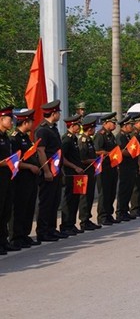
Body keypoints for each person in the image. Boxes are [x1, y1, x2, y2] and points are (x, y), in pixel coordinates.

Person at [35, 99, 68, 241]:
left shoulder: (53, 128)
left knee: (54, 201)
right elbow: (41, 152)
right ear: (53, 113)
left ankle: (51, 229)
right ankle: (43, 231)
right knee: (46, 202)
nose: (59, 115)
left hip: (57, 171)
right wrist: (47, 171)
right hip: (48, 172)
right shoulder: (42, 130)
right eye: (58, 113)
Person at [9, 109, 40, 248]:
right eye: (31, 121)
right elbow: (14, 161)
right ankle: (16, 237)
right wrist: (29, 166)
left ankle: (24, 234)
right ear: (25, 122)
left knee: (29, 207)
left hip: (31, 179)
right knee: (19, 208)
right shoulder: (14, 139)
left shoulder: (26, 138)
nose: (33, 123)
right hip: (21, 179)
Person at [60, 114, 86, 235]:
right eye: (77, 125)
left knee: (75, 199)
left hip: (77, 174)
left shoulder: (74, 138)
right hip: (70, 173)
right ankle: (66, 225)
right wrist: (75, 167)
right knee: (69, 199)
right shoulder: (67, 139)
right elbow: (62, 157)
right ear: (72, 125)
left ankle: (71, 223)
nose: (79, 127)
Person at [94, 112, 119, 226]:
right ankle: (102, 216)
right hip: (103, 167)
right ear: (106, 123)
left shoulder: (111, 135)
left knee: (111, 191)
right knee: (104, 192)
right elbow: (97, 150)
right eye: (113, 123)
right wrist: (109, 153)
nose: (114, 125)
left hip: (112, 166)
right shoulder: (100, 135)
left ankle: (109, 214)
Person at [77, 115, 101, 230]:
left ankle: (87, 218)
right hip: (85, 172)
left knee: (90, 196)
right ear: (89, 128)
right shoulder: (82, 141)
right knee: (85, 197)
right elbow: (83, 159)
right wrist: (95, 160)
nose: (94, 130)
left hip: (91, 172)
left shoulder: (89, 140)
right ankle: (83, 221)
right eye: (93, 128)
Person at [0, 105, 16, 253]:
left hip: (8, 178)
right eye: (10, 120)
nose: (12, 123)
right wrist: (4, 163)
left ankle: (3, 240)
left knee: (6, 210)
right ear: (1, 119)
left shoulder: (6, 137)